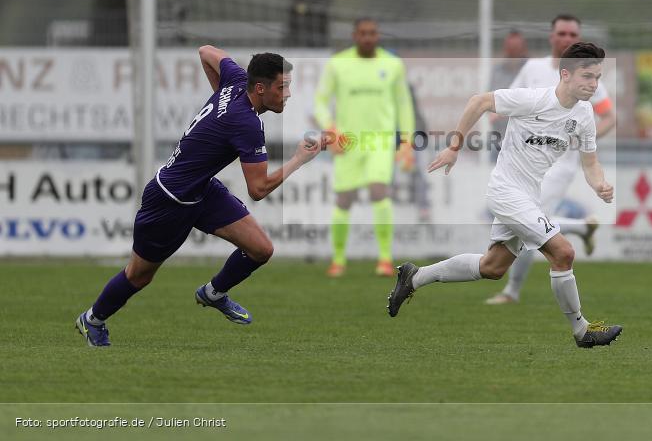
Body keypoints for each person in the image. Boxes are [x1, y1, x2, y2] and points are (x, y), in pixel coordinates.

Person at [75, 46, 322, 346]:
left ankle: (213, 293)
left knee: (261, 249)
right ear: (260, 88)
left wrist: (221, 102)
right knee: (139, 275)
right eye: (282, 87)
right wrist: (299, 159)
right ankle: (92, 319)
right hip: (170, 199)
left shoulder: (234, 80)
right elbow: (258, 190)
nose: (288, 94)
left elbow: (206, 52)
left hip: (201, 187)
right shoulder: (246, 124)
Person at [387, 42, 623, 348]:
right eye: (587, 76)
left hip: (529, 196)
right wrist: (454, 147)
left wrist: (599, 184)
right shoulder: (534, 99)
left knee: (492, 267)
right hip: (505, 191)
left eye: (597, 77)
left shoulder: (585, 115)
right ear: (565, 74)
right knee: (563, 253)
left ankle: (415, 277)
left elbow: (590, 162)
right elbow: (479, 102)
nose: (594, 84)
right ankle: (582, 330)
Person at [485, 14, 615, 305]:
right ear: (551, 36)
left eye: (573, 34)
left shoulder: (588, 76)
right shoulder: (532, 68)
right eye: (562, 33)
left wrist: (580, 142)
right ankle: (581, 227)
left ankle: (511, 292)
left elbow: (609, 117)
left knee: (532, 222)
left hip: (561, 163)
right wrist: (497, 113)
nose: (567, 38)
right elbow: (511, 100)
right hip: (526, 160)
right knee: (531, 222)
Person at [315, 18, 415, 277]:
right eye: (363, 33)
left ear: (378, 35)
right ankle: (338, 260)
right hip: (348, 142)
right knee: (344, 199)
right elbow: (320, 101)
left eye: (372, 33)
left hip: (380, 141)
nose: (368, 38)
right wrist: (330, 128)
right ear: (354, 35)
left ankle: (384, 258)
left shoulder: (393, 65)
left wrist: (406, 140)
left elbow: (404, 104)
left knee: (378, 190)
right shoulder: (338, 64)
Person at [488, 30, 530, 161]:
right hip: (499, 138)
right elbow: (490, 100)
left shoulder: (531, 70)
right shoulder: (497, 71)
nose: (513, 52)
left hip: (526, 141)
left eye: (516, 48)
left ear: (523, 48)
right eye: (510, 48)